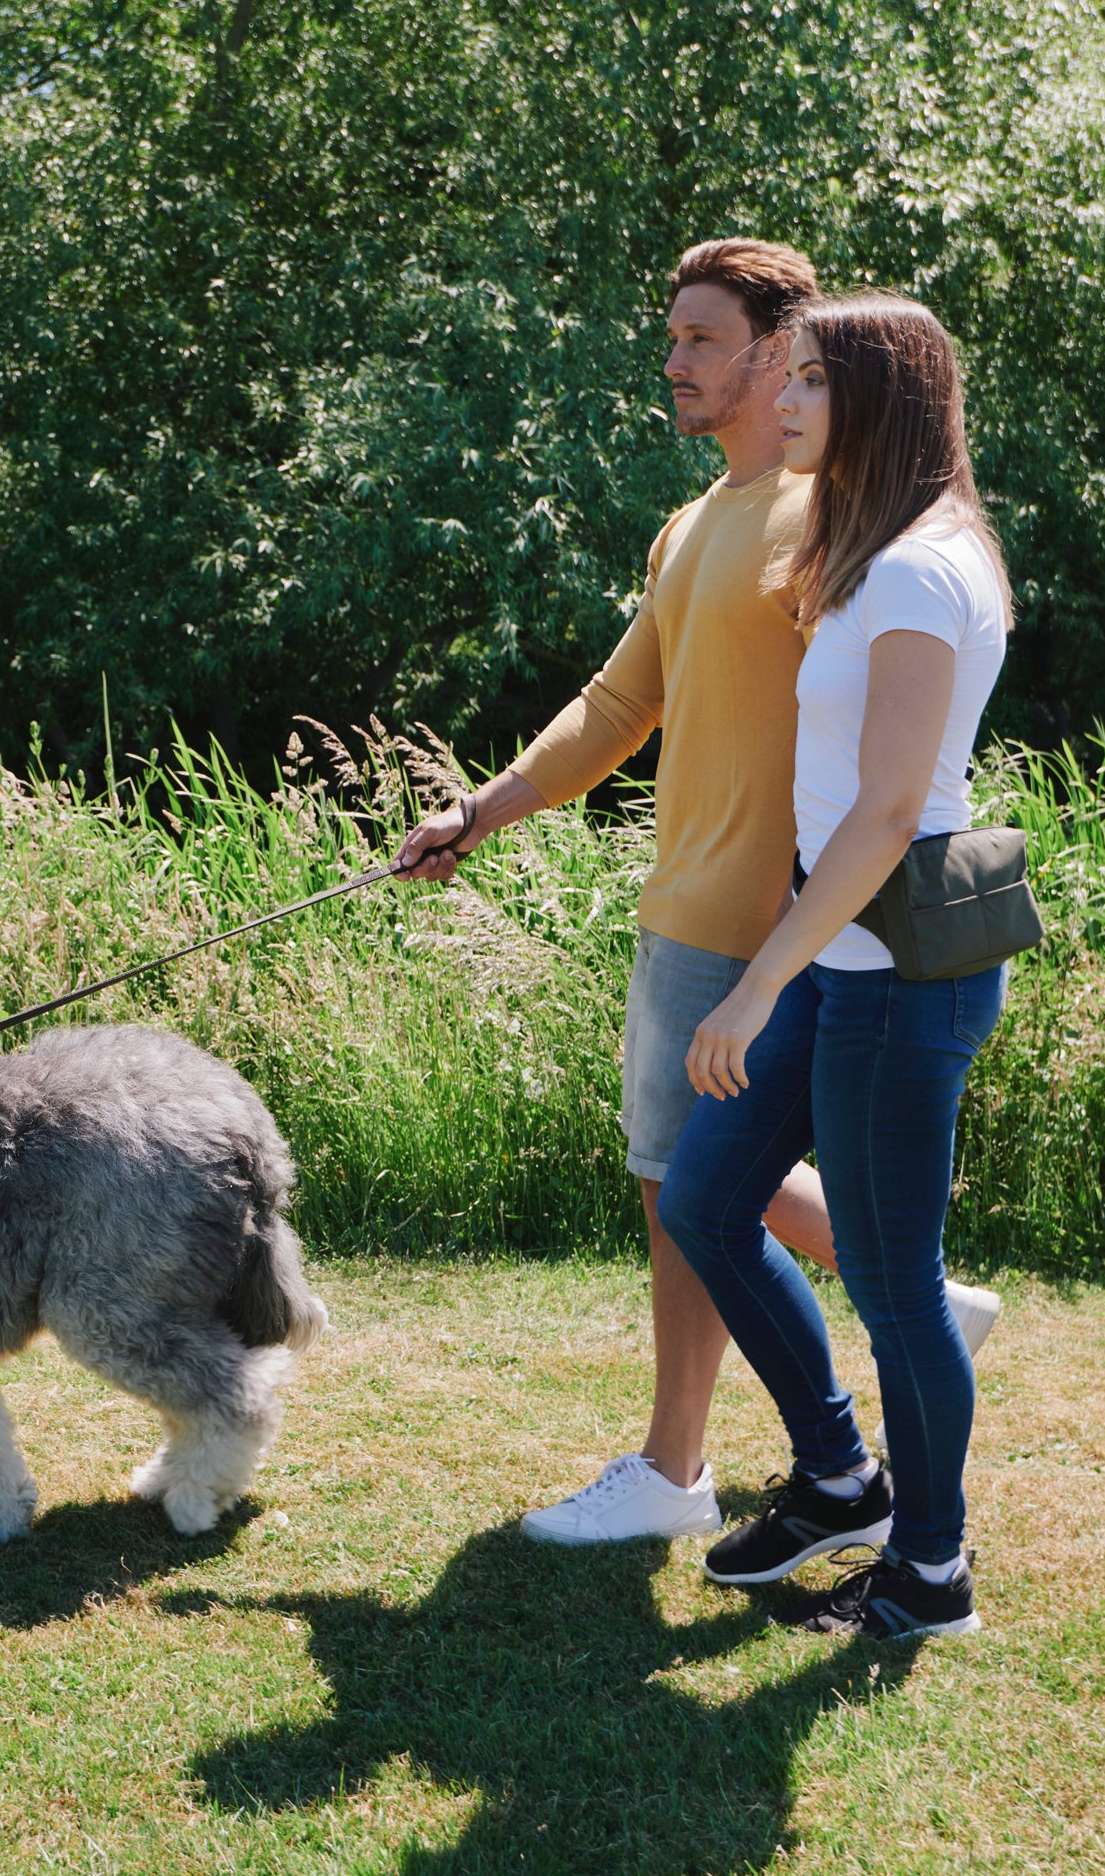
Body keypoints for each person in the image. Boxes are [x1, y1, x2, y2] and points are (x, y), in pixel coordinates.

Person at [397, 245, 1000, 1545]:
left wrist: (781, 936)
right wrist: (479, 812)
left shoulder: (828, 520)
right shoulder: (699, 522)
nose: (673, 360)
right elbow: (623, 705)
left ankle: (692, 1461)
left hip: (766, 919)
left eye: (700, 337)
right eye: (670, 335)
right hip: (696, 901)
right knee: (683, 1177)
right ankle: (878, 1325)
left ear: (782, 352)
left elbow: (881, 760)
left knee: (685, 1178)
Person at [653, 290, 1013, 1638]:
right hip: (841, 960)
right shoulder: (874, 551)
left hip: (890, 978)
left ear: (880, 397)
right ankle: (838, 1474)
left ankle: (929, 1570)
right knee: (706, 1197)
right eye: (786, 376)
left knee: (896, 1285)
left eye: (808, 379)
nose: (782, 399)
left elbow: (885, 811)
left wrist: (757, 982)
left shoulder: (923, 566)